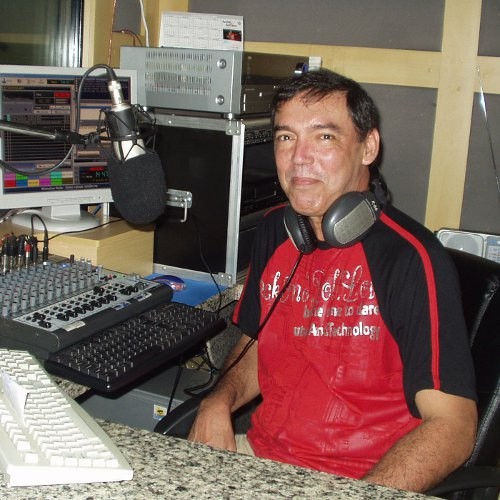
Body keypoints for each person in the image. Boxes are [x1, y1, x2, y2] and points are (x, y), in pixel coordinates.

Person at [188, 69, 477, 493]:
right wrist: (218, 400)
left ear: (368, 147)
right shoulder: (276, 232)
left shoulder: (410, 259)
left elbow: (454, 427)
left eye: (324, 137)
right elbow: (256, 346)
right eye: (286, 137)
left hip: (362, 481)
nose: (299, 158)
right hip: (261, 461)